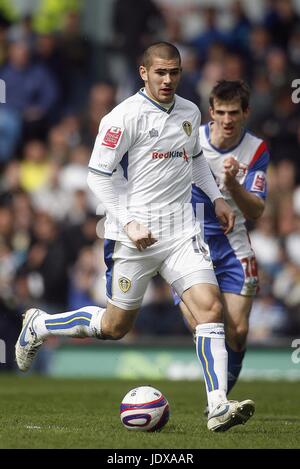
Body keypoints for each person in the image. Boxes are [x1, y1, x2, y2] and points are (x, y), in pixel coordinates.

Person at [15, 42, 255, 432]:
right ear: (144, 73)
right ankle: (40, 326)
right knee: (114, 327)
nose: (168, 79)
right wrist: (128, 223)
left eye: (174, 72)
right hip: (133, 237)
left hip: (181, 231)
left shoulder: (191, 112)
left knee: (210, 309)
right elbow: (98, 175)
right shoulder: (122, 116)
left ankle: (217, 407)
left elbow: (195, 160)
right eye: (160, 72)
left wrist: (216, 200)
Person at [176, 80, 269, 409]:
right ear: (210, 112)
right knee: (206, 321)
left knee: (239, 330)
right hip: (189, 242)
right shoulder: (191, 139)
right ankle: (217, 402)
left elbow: (257, 210)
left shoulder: (256, 150)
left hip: (233, 244)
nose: (227, 120)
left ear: (245, 113)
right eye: (221, 112)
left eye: (234, 113)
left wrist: (232, 183)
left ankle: (219, 398)